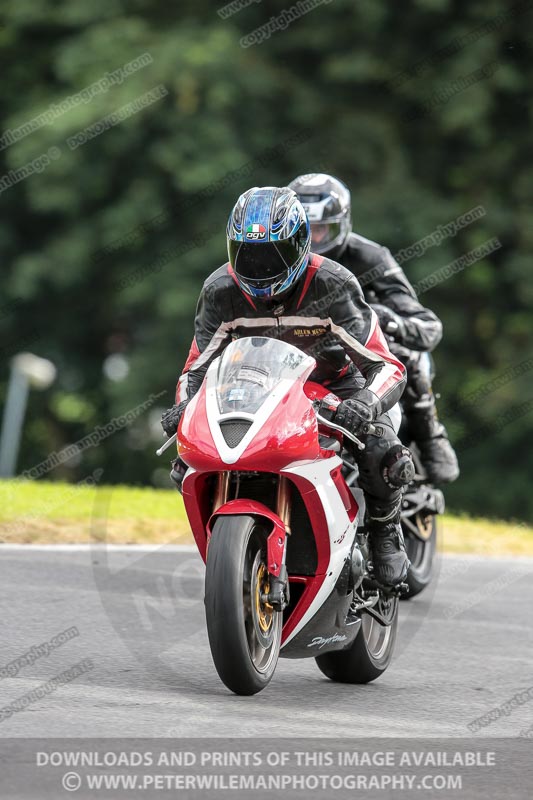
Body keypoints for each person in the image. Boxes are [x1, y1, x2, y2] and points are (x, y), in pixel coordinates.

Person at [161, 186, 414, 588]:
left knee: (383, 450)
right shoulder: (220, 292)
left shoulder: (333, 283)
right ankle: (231, 550)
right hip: (253, 388)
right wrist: (185, 406)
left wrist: (366, 402)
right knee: (185, 461)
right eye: (248, 253)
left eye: (272, 254)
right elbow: (196, 367)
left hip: (335, 386)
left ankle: (384, 530)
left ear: (299, 244)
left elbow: (387, 365)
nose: (260, 266)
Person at [288, 173, 459, 484]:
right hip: (298, 359)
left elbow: (427, 325)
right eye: (303, 231)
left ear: (340, 225)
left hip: (362, 358)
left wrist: (385, 318)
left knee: (407, 354)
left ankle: (430, 436)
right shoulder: (277, 263)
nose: (312, 242)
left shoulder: (370, 257)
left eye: (321, 230)